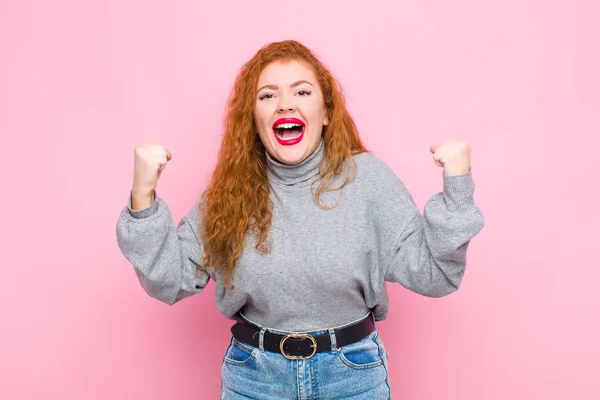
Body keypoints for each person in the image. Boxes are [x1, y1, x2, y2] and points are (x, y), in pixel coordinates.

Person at [116, 39, 484, 399]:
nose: (284, 104)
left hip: (352, 377)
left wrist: (457, 186)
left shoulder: (367, 180)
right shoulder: (229, 192)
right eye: (267, 95)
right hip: (254, 379)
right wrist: (142, 197)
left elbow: (437, 275)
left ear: (325, 114)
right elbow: (170, 278)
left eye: (302, 92)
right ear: (253, 119)